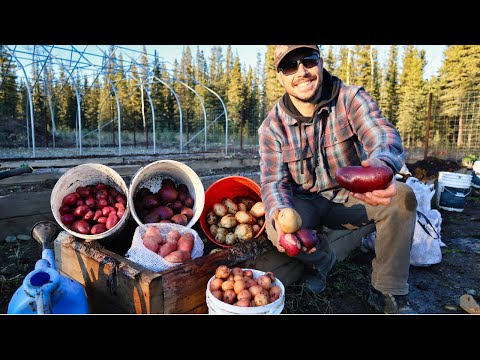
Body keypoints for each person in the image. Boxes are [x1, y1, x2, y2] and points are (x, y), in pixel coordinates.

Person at [258, 45, 418, 314]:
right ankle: (322, 260)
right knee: (280, 228)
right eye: (289, 66)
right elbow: (273, 182)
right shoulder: (272, 127)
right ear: (280, 77)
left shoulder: (350, 98)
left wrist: (380, 167)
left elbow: (382, 134)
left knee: (402, 197)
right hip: (305, 203)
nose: (301, 72)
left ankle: (386, 291)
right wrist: (281, 212)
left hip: (349, 197)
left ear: (320, 62)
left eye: (307, 61)